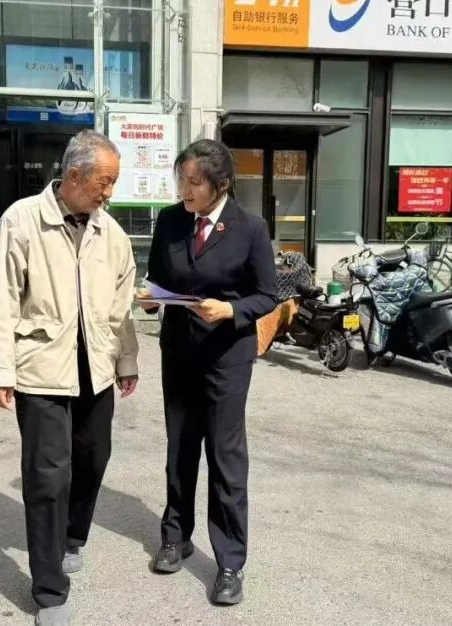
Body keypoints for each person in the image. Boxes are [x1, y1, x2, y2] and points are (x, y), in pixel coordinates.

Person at [0, 130, 139, 626]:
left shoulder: (111, 233)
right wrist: (0, 367)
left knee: (93, 458)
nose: (109, 192)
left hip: (97, 367)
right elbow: (3, 299)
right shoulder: (22, 220)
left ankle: (73, 534)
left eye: (113, 182)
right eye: (104, 181)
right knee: (48, 475)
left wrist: (127, 360)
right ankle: (49, 590)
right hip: (41, 368)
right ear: (74, 175)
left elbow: (122, 306)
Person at [141, 139, 277, 605]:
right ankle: (175, 537)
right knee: (180, 449)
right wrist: (151, 298)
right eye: (181, 180)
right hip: (179, 353)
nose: (184, 190)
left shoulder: (250, 228)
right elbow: (158, 278)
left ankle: (230, 563)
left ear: (221, 184)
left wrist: (231, 310)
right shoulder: (170, 221)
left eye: (194, 182)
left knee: (224, 457)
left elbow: (267, 294)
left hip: (226, 358)